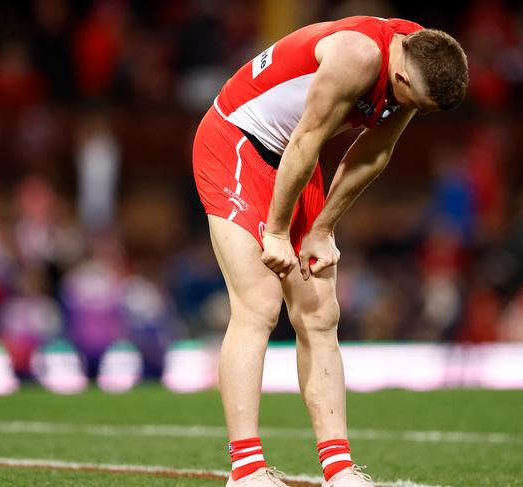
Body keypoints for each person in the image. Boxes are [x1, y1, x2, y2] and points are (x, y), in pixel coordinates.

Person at [193, 15, 468, 487]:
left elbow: (372, 153)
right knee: (258, 306)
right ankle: (247, 469)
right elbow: (306, 139)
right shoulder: (357, 56)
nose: (413, 112)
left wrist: (323, 229)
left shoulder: (421, 52)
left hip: (293, 162)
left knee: (320, 314)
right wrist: (277, 232)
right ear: (400, 77)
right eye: (415, 103)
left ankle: (339, 468)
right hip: (236, 142)